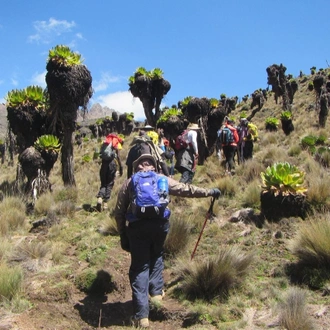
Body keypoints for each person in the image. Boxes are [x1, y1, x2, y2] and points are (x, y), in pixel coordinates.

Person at [114, 152, 221, 328]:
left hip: (137, 228)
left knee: (140, 267)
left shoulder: (130, 182)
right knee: (157, 255)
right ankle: (156, 295)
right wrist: (208, 192)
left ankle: (142, 316)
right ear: (154, 165)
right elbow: (185, 189)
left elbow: (119, 212)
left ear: (136, 167)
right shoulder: (160, 178)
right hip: (160, 226)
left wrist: (123, 234)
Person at [96, 133, 123, 211]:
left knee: (103, 183)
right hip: (112, 164)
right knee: (110, 183)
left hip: (104, 164)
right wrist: (121, 167)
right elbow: (118, 156)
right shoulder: (115, 142)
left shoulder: (105, 142)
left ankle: (100, 198)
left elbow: (100, 153)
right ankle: (105, 204)